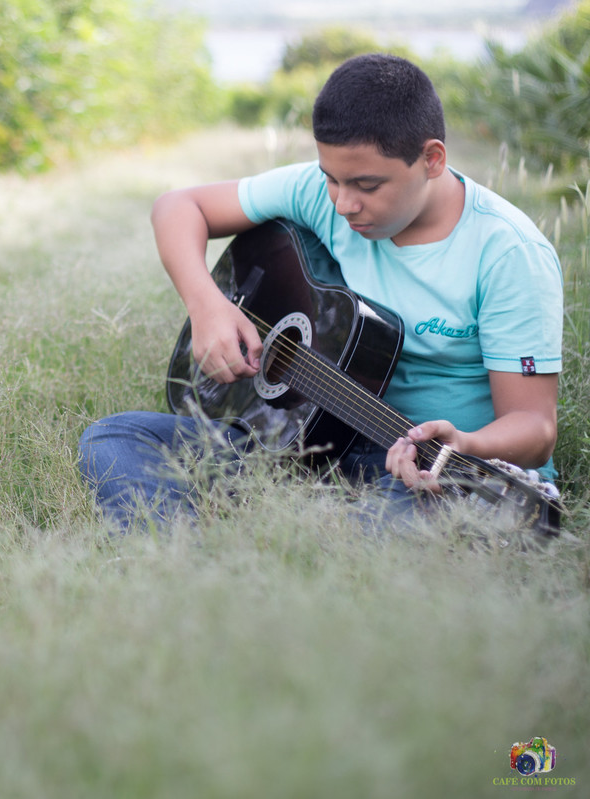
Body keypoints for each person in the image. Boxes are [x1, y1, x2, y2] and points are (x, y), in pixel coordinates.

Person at [78, 53, 563, 532]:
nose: (343, 203)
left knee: (360, 538)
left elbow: (535, 430)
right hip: (306, 438)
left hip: (436, 472)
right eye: (331, 178)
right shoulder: (322, 192)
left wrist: (466, 444)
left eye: (367, 185)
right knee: (116, 438)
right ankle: (179, 559)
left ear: (432, 159)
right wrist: (207, 304)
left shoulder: (508, 254)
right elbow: (178, 206)